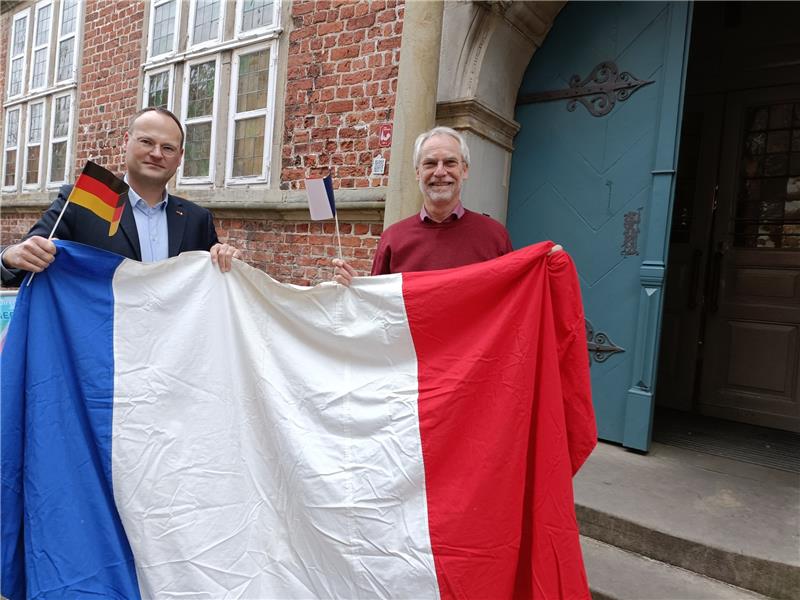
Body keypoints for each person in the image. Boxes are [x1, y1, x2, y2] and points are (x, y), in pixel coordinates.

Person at [1, 107, 239, 287]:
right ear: (126, 142)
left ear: (180, 156)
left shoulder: (197, 220)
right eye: (146, 142)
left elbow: (215, 286)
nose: (156, 154)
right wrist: (10, 257)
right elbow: (24, 264)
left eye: (168, 148)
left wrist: (230, 261)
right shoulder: (83, 202)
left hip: (171, 350)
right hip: (103, 347)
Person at [333, 126, 558, 284]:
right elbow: (379, 308)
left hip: (474, 353)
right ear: (418, 172)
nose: (440, 172)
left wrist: (544, 272)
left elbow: (512, 300)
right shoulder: (393, 238)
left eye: (450, 162)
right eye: (430, 163)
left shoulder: (495, 237)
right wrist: (357, 289)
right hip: (414, 353)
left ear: (465, 170)